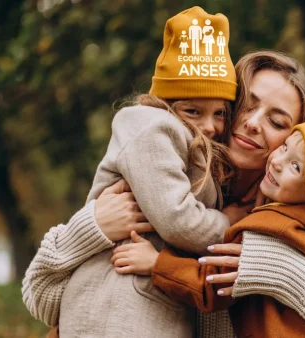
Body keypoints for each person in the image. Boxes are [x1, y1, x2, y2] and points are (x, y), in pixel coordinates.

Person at [23, 23, 305, 338]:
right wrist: (93, 227)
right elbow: (43, 299)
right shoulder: (164, 179)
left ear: (298, 139)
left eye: (277, 121)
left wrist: (274, 267)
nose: (253, 122)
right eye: (247, 105)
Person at [24, 6, 239, 337]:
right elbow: (179, 220)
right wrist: (231, 223)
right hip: (117, 310)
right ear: (166, 104)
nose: (210, 126)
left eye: (220, 113)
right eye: (193, 110)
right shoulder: (151, 127)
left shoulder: (195, 144)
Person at [116, 121, 305, 337]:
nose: (277, 162)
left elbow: (211, 288)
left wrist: (156, 263)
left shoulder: (263, 230)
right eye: (286, 147)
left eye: (296, 167)